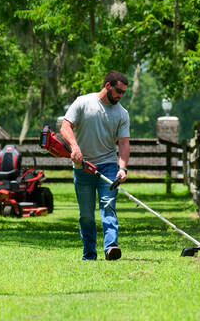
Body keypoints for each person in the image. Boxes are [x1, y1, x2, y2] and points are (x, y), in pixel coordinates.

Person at [60, 71, 130, 261]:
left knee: (108, 206)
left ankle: (111, 247)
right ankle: (89, 253)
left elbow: (123, 143)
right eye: (118, 91)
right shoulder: (83, 103)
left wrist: (122, 168)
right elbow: (65, 126)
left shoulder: (122, 113)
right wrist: (75, 148)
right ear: (107, 86)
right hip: (82, 166)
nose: (120, 96)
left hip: (107, 167)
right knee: (86, 215)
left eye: (124, 92)